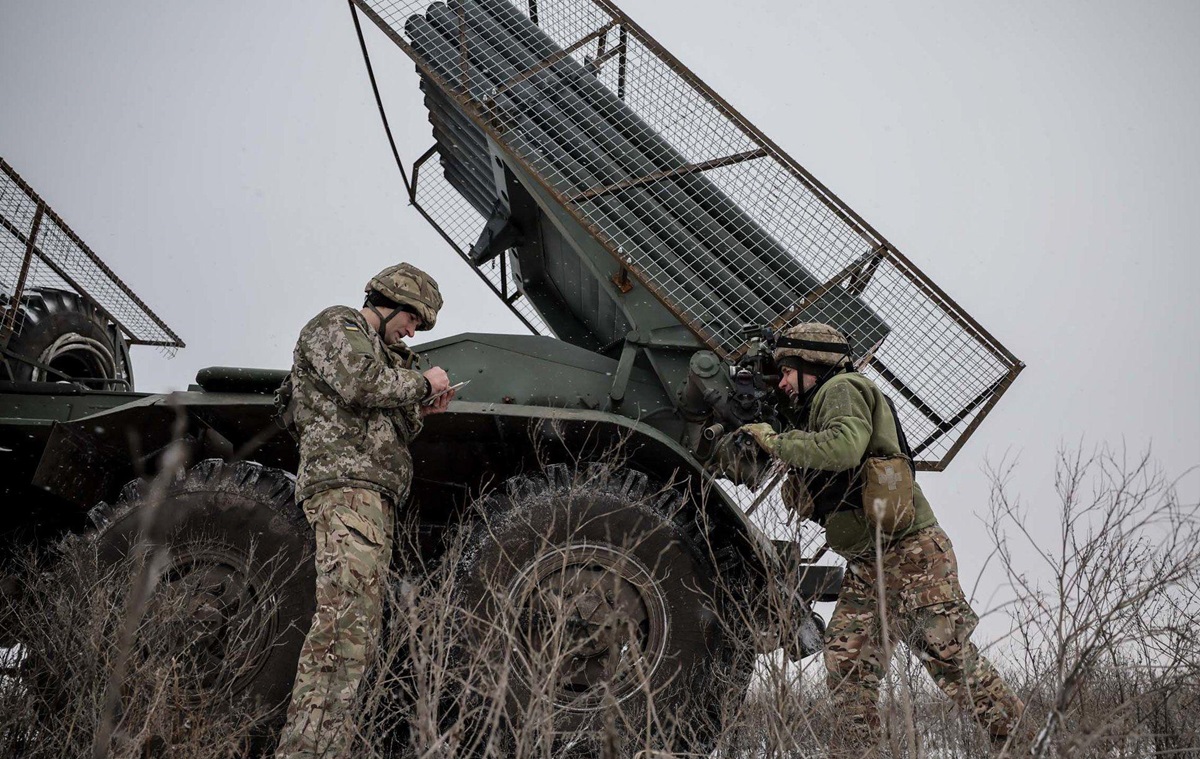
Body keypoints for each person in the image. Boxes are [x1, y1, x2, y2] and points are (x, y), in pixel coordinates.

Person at [736, 322, 1024, 757]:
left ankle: (1027, 745)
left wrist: (775, 441)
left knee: (948, 658)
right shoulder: (817, 406)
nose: (783, 383)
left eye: (788, 372)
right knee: (847, 666)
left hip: (910, 555)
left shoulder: (842, 388)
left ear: (813, 365)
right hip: (868, 565)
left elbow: (844, 448)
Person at [275, 262, 455, 759]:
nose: (412, 331)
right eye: (413, 319)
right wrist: (423, 384)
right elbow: (359, 383)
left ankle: (324, 744)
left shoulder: (382, 354)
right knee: (342, 626)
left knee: (357, 630)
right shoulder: (337, 323)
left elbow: (383, 418)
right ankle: (306, 750)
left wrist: (421, 408)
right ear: (391, 301)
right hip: (346, 491)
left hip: (371, 497)